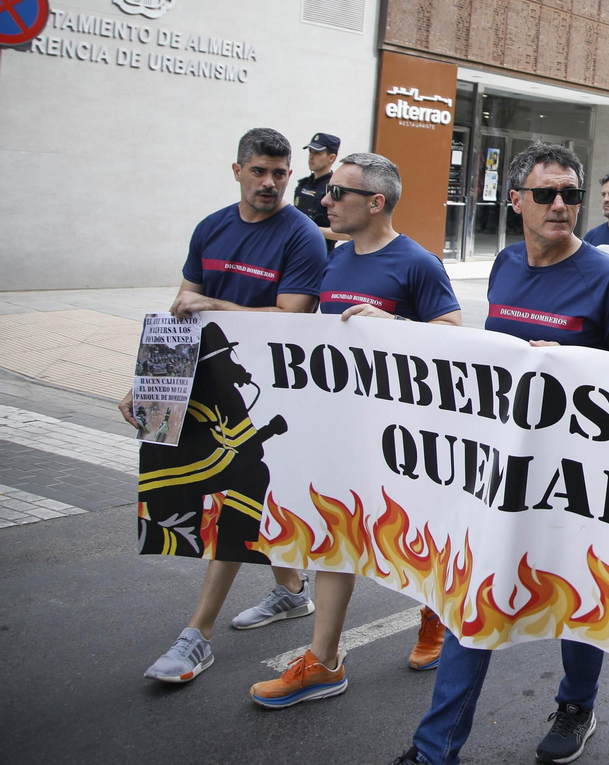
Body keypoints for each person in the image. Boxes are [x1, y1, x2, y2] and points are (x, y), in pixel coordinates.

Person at [389, 142, 609, 765]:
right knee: (472, 599)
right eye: (545, 194)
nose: (560, 205)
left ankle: (576, 704)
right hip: (503, 472)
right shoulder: (506, 264)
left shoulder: (608, 280)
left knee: (574, 598)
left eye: (570, 195)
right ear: (515, 202)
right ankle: (434, 751)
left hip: (578, 481)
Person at [249, 153, 462, 709]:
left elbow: (453, 338)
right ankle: (322, 662)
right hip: (341, 430)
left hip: (405, 439)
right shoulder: (334, 260)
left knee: (418, 538)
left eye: (338, 193)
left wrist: (396, 325)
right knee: (333, 536)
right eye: (328, 192)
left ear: (375, 202)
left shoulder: (417, 262)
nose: (326, 200)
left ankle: (434, 620)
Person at [128, 128, 328, 684]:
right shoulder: (210, 227)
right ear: (236, 170)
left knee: (239, 497)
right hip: (209, 386)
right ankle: (291, 591)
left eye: (280, 173)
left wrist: (213, 303)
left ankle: (198, 635)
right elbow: (183, 312)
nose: (270, 183)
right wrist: (147, 386)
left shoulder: (302, 237)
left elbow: (291, 319)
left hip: (267, 394)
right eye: (259, 171)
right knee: (253, 496)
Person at [293, 132, 349, 254]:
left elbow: (348, 233)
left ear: (331, 158)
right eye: (310, 152)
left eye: (317, 153)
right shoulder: (303, 185)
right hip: (295, 251)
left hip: (319, 255)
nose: (311, 157)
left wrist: (314, 230)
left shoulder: (335, 189)